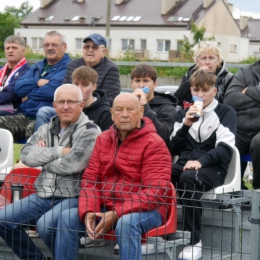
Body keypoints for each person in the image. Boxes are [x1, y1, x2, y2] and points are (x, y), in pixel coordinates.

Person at [39, 93, 171, 260]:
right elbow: (90, 181)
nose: (124, 114)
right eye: (119, 110)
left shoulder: (155, 143)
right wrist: (89, 210)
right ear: (112, 113)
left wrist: (116, 214)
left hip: (148, 210)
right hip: (107, 205)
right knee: (67, 218)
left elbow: (155, 192)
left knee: (126, 223)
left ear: (141, 111)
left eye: (130, 110)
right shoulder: (103, 139)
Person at [0, 84, 101, 260]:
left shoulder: (90, 132)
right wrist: (58, 151)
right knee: (3, 220)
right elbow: (26, 155)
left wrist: (42, 158)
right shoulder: (46, 128)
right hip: (43, 194)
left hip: (73, 196)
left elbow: (72, 165)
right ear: (54, 106)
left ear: (81, 105)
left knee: (46, 227)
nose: (66, 106)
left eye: (71, 101)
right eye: (61, 102)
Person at [170, 70, 236, 260]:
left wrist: (200, 162)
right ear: (191, 91)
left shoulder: (225, 112)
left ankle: (194, 240)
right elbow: (174, 147)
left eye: (205, 90)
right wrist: (186, 125)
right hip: (184, 165)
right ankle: (160, 234)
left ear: (214, 91)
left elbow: (225, 149)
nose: (199, 95)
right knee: (157, 173)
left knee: (188, 178)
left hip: (213, 168)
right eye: (196, 91)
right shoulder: (182, 114)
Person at [0, 30, 71, 139]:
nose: (50, 48)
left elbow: (51, 91)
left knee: (32, 130)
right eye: (47, 45)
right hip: (25, 115)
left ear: (64, 47)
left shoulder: (69, 68)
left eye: (54, 45)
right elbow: (18, 88)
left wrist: (28, 94)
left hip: (49, 118)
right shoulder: (37, 66)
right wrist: (36, 82)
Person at [35, 66, 113, 132]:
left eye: (85, 85)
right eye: (76, 84)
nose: (79, 88)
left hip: (85, 144)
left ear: (94, 87)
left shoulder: (104, 112)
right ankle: (40, 140)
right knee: (44, 111)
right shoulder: (67, 104)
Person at [224, 59, 260, 189]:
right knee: (224, 143)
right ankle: (232, 190)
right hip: (240, 127)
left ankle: (258, 192)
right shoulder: (246, 72)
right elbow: (230, 99)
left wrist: (248, 91)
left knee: (258, 143)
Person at [63, 33, 120, 106]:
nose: (90, 50)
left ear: (104, 52)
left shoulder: (110, 69)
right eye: (87, 47)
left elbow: (109, 99)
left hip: (95, 111)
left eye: (95, 47)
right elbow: (64, 91)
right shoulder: (73, 65)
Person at [130, 64, 178, 147]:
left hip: (154, 152)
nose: (141, 85)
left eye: (145, 81)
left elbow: (163, 135)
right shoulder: (126, 105)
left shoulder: (167, 108)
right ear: (132, 84)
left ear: (154, 84)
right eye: (137, 81)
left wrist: (145, 106)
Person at [174, 41, 233, 107]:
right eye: (203, 58)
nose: (207, 62)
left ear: (218, 60)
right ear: (197, 61)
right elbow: (177, 100)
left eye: (211, 58)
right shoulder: (189, 74)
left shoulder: (228, 78)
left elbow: (229, 106)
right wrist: (195, 77)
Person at [0, 35, 30, 114]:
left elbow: (10, 94)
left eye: (14, 48)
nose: (10, 51)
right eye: (8, 48)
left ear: (23, 51)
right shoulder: (1, 70)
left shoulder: (27, 71)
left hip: (14, 111)